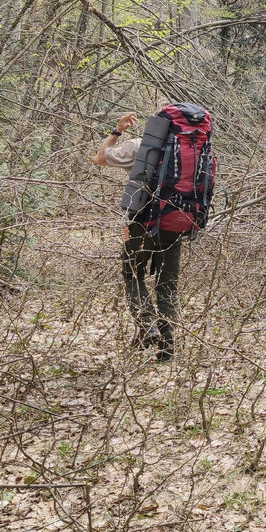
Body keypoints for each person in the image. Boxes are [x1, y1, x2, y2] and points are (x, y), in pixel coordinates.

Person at [94, 111, 183, 362]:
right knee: (168, 284)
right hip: (175, 224)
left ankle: (147, 323)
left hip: (141, 223)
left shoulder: (140, 145)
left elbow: (99, 158)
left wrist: (117, 131)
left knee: (132, 274)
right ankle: (167, 349)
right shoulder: (193, 152)